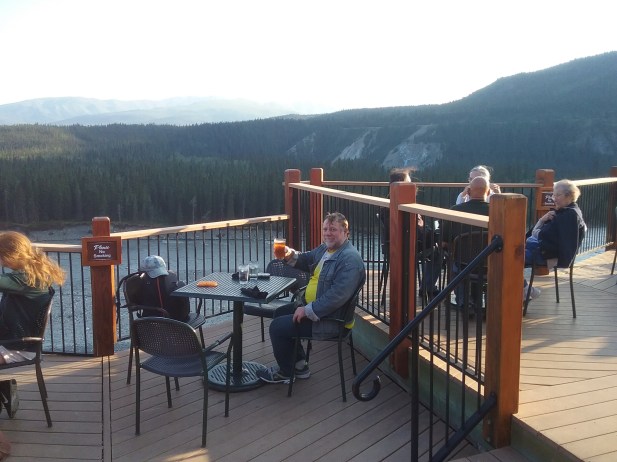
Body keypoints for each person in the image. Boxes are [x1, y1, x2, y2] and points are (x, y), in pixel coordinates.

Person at [256, 212, 365, 383]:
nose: (328, 233)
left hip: (331, 320)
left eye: (333, 229)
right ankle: (299, 365)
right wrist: (288, 253)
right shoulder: (326, 249)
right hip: (317, 310)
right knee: (279, 313)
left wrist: (307, 310)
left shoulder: (349, 260)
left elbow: (336, 297)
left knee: (277, 327)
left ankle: (286, 373)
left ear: (346, 233)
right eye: (325, 229)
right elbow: (305, 259)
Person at [0, 231, 65, 419]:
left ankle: (4, 394)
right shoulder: (32, 274)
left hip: (19, 346)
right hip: (15, 341)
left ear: (12, 255)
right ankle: (5, 391)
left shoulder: (26, 280)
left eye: (1, 256)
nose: (1, 262)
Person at [380, 168, 442, 298]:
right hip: (409, 247)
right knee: (438, 253)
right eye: (409, 183)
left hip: (391, 245)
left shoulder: (386, 204)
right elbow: (419, 234)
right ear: (400, 185)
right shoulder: (406, 207)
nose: (413, 186)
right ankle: (427, 288)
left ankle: (426, 287)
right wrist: (431, 232)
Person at [524, 179, 586, 301]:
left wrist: (539, 227)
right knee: (510, 256)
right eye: (553, 195)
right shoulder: (570, 211)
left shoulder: (568, 216)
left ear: (569, 196)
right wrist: (542, 220)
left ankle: (525, 291)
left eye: (558, 195)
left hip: (549, 256)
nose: (554, 198)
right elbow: (542, 235)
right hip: (545, 252)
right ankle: (525, 290)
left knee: (510, 259)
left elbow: (540, 236)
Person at [443, 176, 491, 312]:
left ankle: (464, 302)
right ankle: (480, 302)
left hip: (462, 265)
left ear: (469, 192)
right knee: (480, 262)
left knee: (454, 261)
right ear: (488, 193)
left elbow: (444, 242)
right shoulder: (497, 211)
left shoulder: (455, 211)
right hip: (491, 264)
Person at [124, 255, 190, 322]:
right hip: (177, 321)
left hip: (150, 321)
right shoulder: (172, 276)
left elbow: (133, 305)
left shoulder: (136, 282)